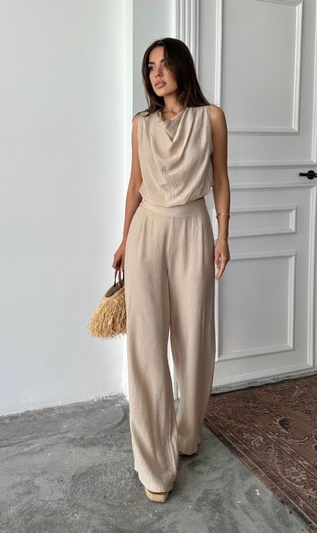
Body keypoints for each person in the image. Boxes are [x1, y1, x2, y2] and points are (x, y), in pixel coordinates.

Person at [112, 37, 231, 502]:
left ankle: (187, 433)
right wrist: (125, 239)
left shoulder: (211, 117)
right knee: (145, 342)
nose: (156, 74)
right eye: (150, 67)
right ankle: (154, 466)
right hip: (147, 230)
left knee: (194, 339)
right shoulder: (141, 124)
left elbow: (220, 179)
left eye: (164, 64)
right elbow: (134, 184)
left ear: (183, 67)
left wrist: (223, 236)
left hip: (192, 229)